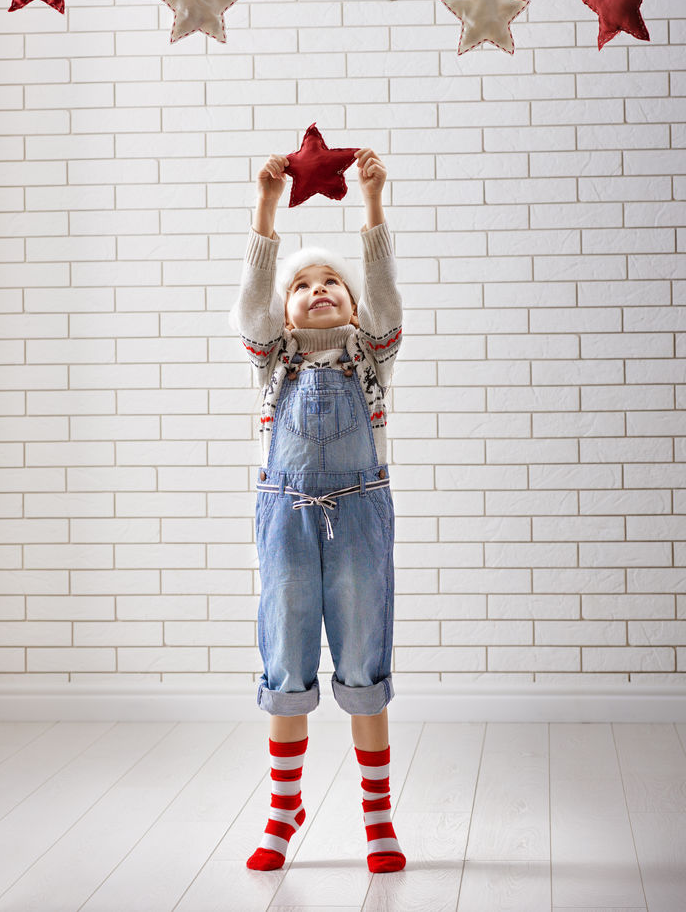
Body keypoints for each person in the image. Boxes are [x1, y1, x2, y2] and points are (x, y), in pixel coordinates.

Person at [230, 145, 405, 874]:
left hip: (360, 517)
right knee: (286, 659)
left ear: (357, 306)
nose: (321, 287)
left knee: (364, 658)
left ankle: (377, 818)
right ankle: (282, 808)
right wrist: (266, 212)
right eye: (304, 284)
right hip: (287, 521)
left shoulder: (372, 355)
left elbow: (386, 291)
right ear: (287, 311)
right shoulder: (275, 359)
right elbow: (251, 301)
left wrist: (371, 204)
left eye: (334, 280)